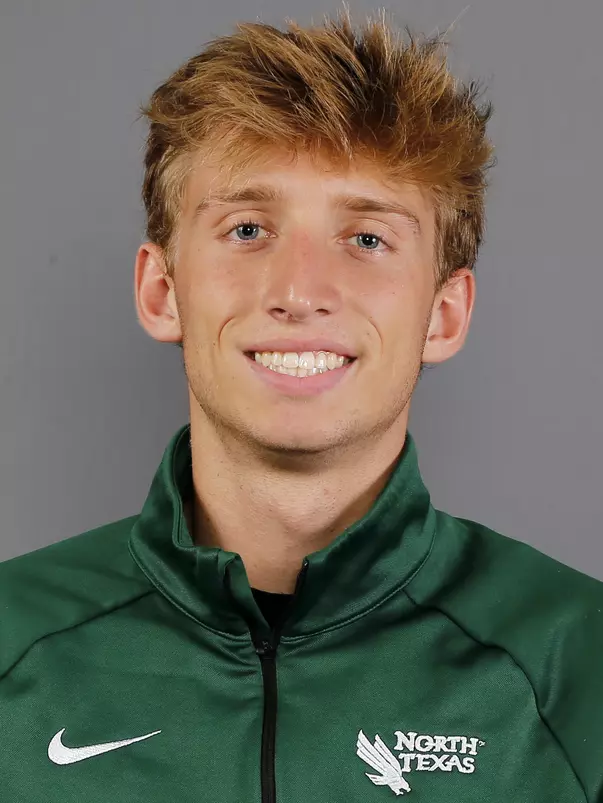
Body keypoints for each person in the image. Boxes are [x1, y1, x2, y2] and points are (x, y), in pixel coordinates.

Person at [1, 10, 602, 802]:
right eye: (247, 228)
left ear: (444, 313)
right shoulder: (15, 645)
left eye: (366, 240)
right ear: (161, 290)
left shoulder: (578, 663)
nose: (299, 291)